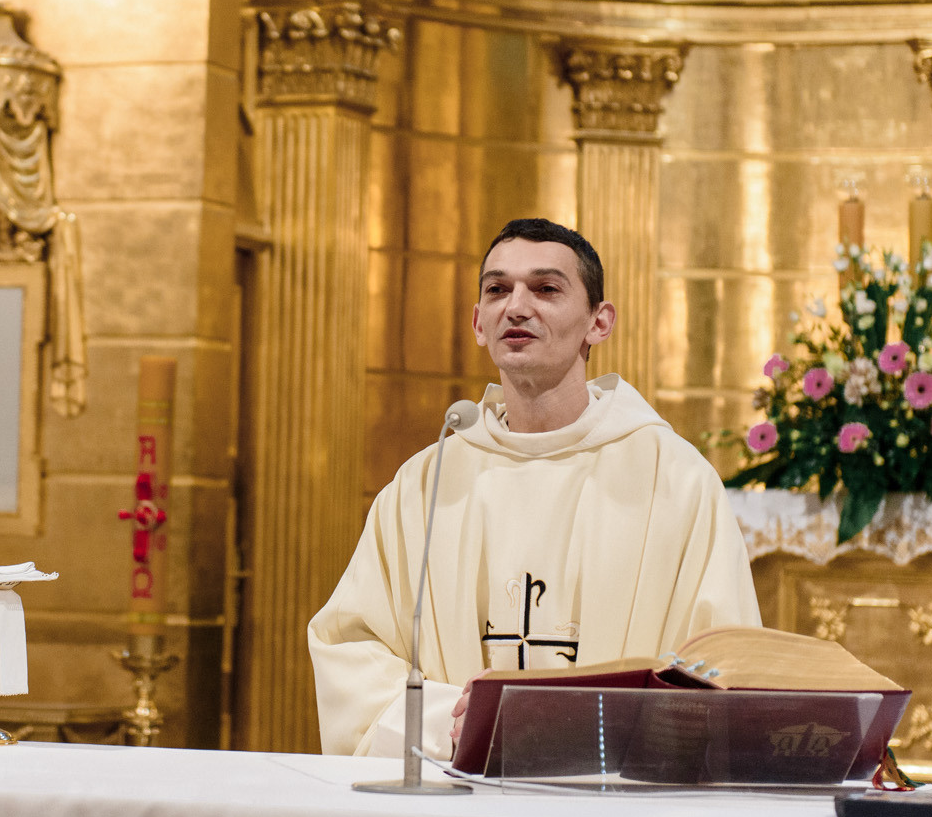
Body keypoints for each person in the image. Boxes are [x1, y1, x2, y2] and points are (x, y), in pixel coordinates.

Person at [308, 217, 761, 759]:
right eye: (498, 290)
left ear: (600, 322)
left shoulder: (676, 482)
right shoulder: (425, 487)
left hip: (614, 806)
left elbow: (724, 662)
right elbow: (352, 650)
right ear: (479, 322)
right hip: (456, 801)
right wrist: (453, 722)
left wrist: (574, 725)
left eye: (546, 289)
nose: (516, 307)